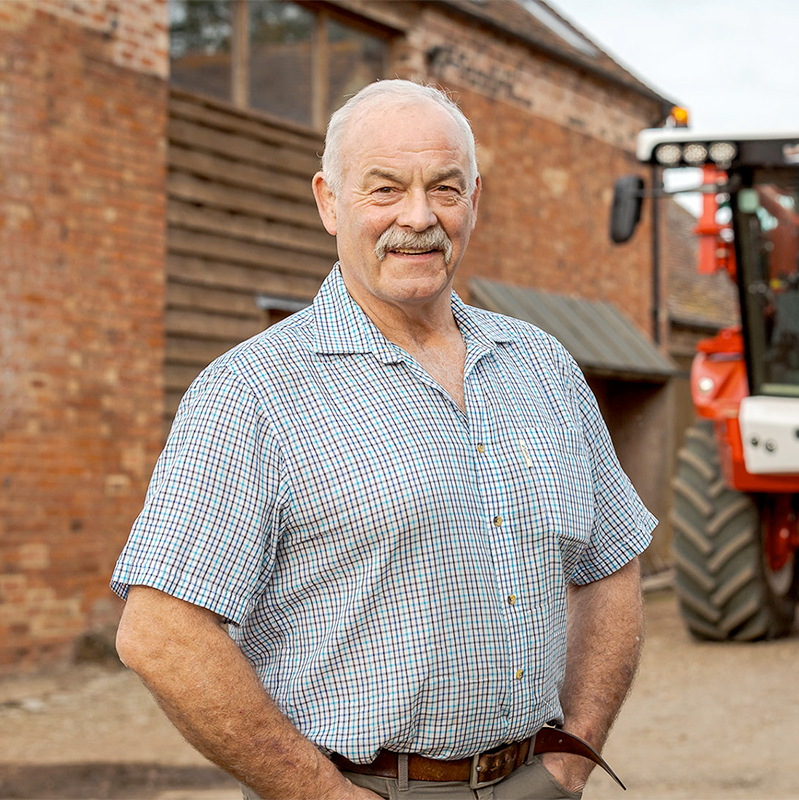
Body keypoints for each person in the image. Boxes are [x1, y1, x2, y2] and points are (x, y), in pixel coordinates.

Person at [111, 79, 656, 800]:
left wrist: (569, 763)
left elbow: (612, 566)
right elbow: (160, 635)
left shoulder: (544, 367)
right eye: (385, 189)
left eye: (445, 188)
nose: (419, 217)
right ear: (329, 201)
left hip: (534, 783)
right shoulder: (252, 393)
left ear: (475, 199)